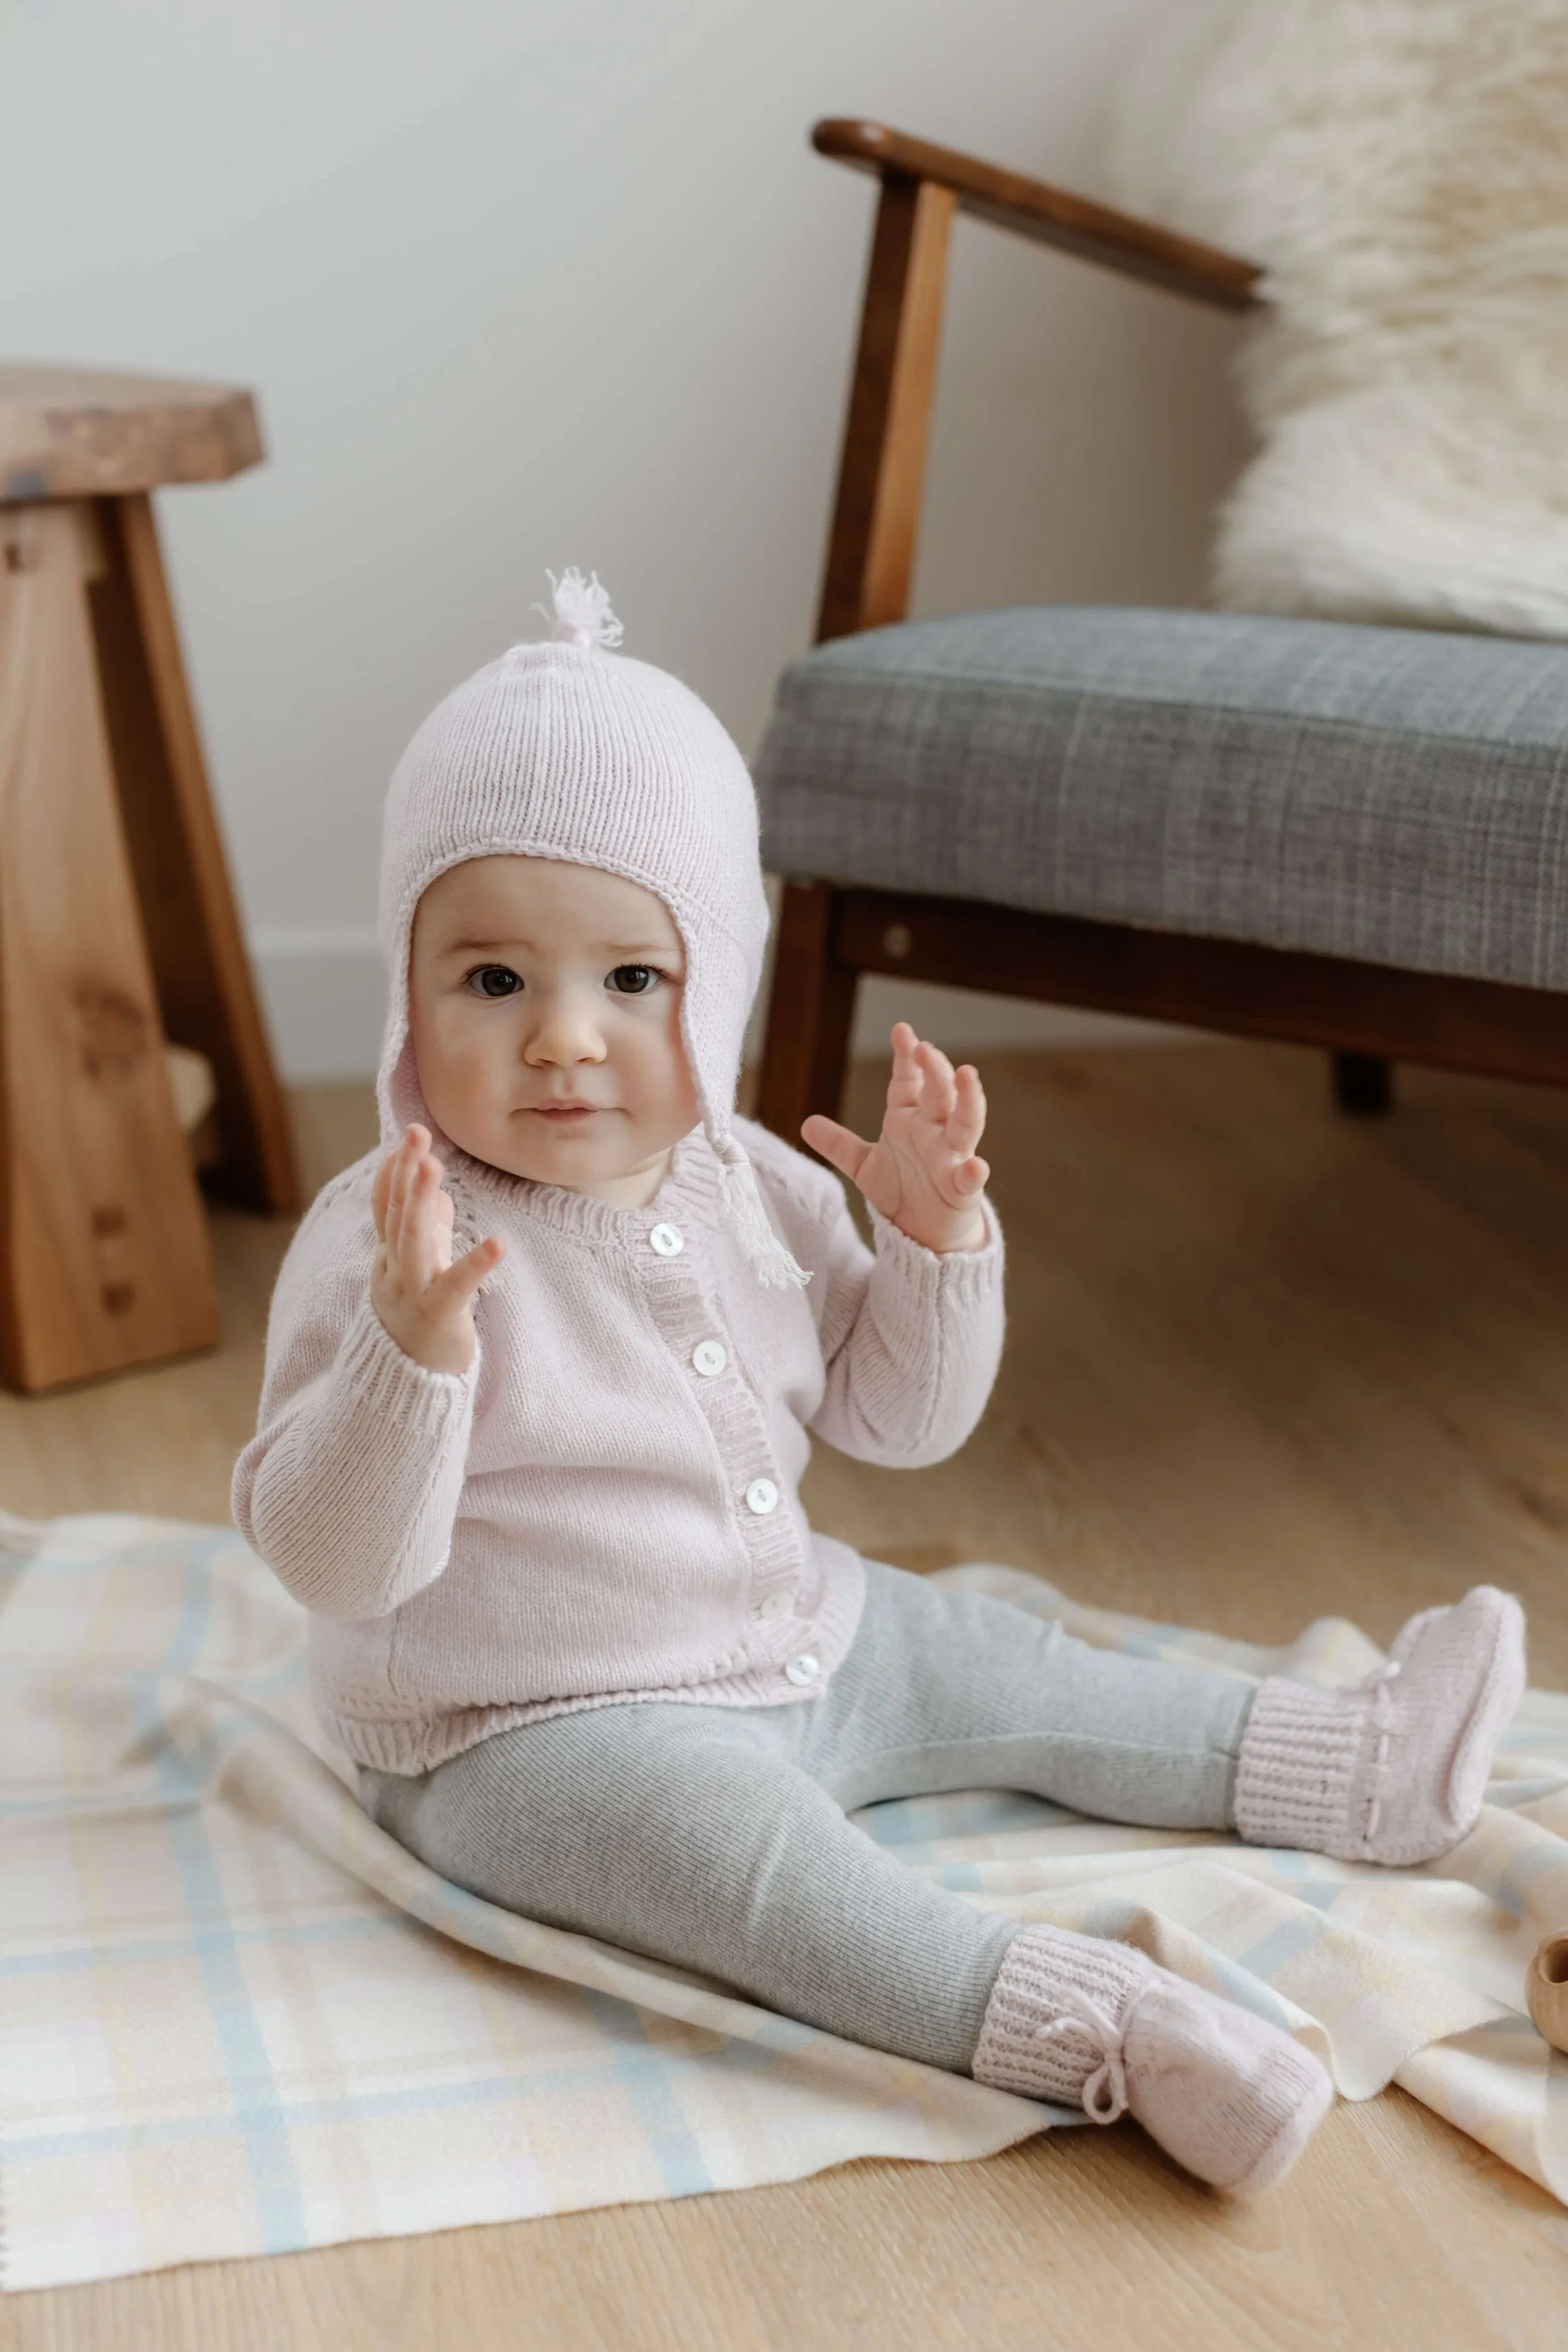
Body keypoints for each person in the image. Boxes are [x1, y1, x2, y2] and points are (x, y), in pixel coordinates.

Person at [234, 571, 1526, 2195]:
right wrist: (408, 1360)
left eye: (632, 981)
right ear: (407, 993)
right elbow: (334, 1563)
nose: (565, 1037)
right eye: (493, 982)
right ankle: (1111, 2032)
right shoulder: (388, 1237)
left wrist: (930, 1247)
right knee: (777, 1886)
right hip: (528, 1737)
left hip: (801, 1643)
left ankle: (1354, 1765)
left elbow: (899, 1423)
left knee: (1012, 1658)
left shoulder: (754, 1179)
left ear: (720, 980)